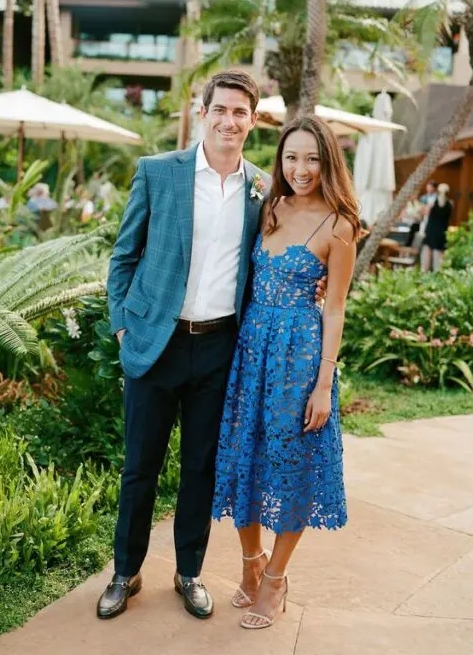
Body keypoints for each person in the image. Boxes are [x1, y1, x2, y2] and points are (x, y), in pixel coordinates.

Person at [98, 70, 327, 621]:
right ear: (204, 113)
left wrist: (313, 286)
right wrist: (124, 328)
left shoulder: (263, 191)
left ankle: (189, 573)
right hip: (156, 342)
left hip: (221, 347)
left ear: (253, 120)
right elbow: (123, 258)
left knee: (202, 467)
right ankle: (125, 573)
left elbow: (284, 254)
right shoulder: (158, 173)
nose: (229, 120)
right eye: (220, 109)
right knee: (140, 467)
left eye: (240, 112)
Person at [212, 115, 360, 630]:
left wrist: (324, 383)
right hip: (250, 353)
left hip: (299, 359)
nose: (301, 169)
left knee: (290, 465)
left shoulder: (339, 224)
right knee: (243, 459)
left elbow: (336, 307)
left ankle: (276, 579)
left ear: (328, 162)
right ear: (280, 160)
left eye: (313, 158)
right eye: (292, 157)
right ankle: (251, 563)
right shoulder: (267, 207)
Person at [420, 182, 452, 272]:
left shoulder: (444, 204)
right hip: (434, 232)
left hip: (437, 234)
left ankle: (432, 275)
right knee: (429, 256)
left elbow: (425, 212)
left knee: (436, 258)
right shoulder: (441, 203)